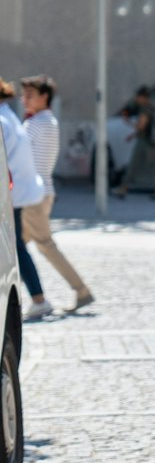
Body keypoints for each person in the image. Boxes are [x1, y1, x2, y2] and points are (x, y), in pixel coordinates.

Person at [19, 75, 94, 312]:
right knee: (19, 248)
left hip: (32, 195)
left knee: (42, 245)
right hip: (40, 192)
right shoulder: (46, 121)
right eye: (24, 95)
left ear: (44, 97)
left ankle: (80, 291)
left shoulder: (37, 123)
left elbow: (19, 157)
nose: (24, 99)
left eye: (30, 95)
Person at [0, 78, 52, 321]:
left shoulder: (3, 121)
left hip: (12, 194)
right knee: (16, 248)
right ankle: (37, 298)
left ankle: (39, 299)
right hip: (19, 192)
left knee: (17, 249)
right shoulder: (8, 116)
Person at [112, 84, 155, 199]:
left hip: (145, 142)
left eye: (138, 97)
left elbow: (141, 126)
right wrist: (132, 136)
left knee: (134, 164)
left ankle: (123, 188)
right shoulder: (154, 107)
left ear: (143, 97)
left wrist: (128, 122)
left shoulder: (145, 109)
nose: (136, 99)